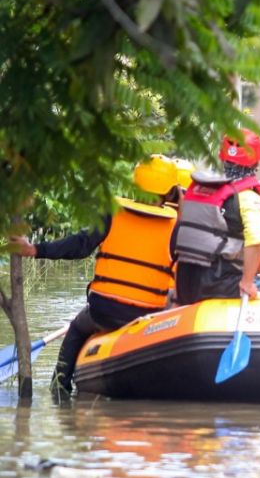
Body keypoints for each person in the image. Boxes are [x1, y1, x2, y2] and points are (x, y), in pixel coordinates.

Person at [10, 156, 183, 395]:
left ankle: (59, 385)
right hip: (146, 317)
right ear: (170, 191)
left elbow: (79, 245)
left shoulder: (112, 213)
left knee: (77, 329)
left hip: (104, 310)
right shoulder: (177, 227)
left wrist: (35, 249)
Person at [172, 129, 260, 304]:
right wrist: (246, 283)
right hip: (219, 283)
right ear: (256, 161)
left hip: (185, 281)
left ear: (221, 157)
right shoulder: (248, 197)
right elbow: (257, 239)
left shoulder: (200, 189)